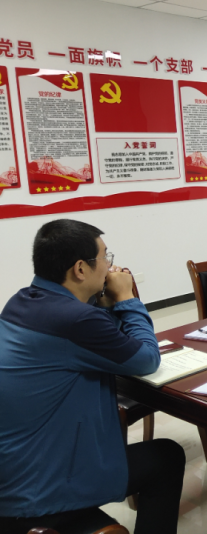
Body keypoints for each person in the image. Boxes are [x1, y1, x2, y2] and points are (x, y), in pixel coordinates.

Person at [0, 219, 185, 534]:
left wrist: (103, 304)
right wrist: (126, 298)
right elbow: (146, 359)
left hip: (14, 469)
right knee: (166, 457)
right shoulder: (75, 319)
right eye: (105, 257)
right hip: (39, 492)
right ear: (80, 269)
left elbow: (93, 338)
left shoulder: (22, 300)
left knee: (160, 456)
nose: (109, 266)